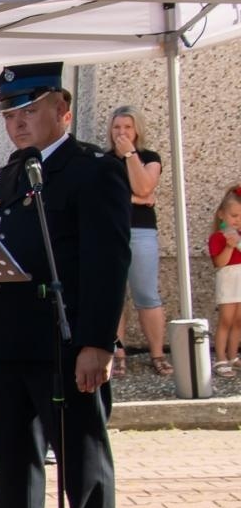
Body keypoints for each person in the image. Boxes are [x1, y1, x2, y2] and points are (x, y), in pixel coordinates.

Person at [0, 63, 129, 508]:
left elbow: (108, 262)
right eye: (10, 114)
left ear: (62, 108)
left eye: (29, 110)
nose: (18, 123)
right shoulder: (9, 175)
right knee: (12, 454)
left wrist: (98, 342)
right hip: (10, 340)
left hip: (66, 340)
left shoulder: (93, 170)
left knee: (81, 454)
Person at [108, 106, 170, 376]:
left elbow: (145, 187)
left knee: (147, 295)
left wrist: (130, 155)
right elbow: (106, 198)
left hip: (142, 232)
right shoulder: (104, 160)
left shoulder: (149, 157)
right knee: (114, 296)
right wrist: (136, 200)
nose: (121, 132)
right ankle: (118, 354)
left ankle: (157, 354)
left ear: (137, 131)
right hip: (110, 232)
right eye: (117, 127)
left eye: (127, 127)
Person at [209, 186, 241, 377]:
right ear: (222, 215)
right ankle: (220, 357)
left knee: (238, 320)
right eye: (234, 215)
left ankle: (233, 355)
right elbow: (219, 263)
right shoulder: (218, 237)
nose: (238, 221)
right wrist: (229, 247)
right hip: (228, 279)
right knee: (226, 320)